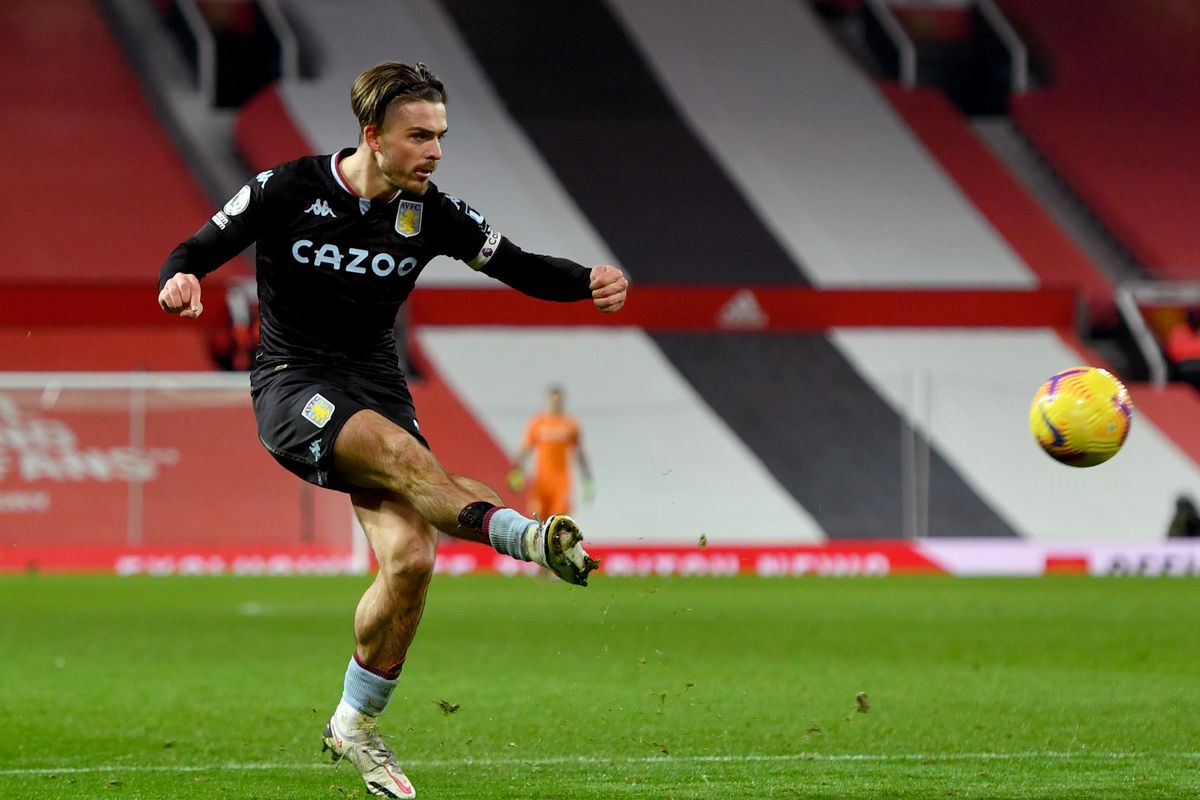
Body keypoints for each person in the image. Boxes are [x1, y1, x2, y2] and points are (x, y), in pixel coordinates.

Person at [157, 61, 628, 799]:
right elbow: (197, 249)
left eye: (441, 136)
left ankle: (353, 723)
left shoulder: (430, 212)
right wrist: (179, 278)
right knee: (404, 457)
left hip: (374, 383)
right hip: (293, 382)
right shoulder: (289, 189)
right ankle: (525, 538)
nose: (435, 151)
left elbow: (517, 264)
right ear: (372, 136)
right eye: (420, 136)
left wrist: (585, 281)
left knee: (410, 559)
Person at [508, 384, 594, 518]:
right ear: (548, 401)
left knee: (559, 521)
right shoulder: (537, 423)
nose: (556, 404)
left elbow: (580, 453)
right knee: (537, 520)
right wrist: (516, 471)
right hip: (541, 481)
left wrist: (587, 480)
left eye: (559, 401)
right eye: (553, 401)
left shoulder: (571, 424)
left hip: (562, 482)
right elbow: (525, 449)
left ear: (563, 402)